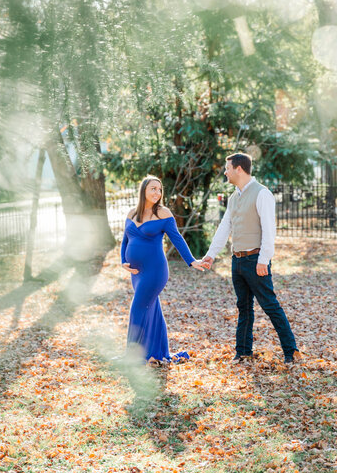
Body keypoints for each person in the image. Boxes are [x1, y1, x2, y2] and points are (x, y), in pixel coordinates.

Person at [202, 153, 299, 365]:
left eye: (227, 168)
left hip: (256, 260)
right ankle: (243, 352)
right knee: (243, 307)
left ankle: (291, 351)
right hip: (237, 261)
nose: (225, 172)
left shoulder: (262, 194)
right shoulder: (233, 197)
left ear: (239, 169)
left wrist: (264, 259)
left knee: (270, 305)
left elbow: (269, 229)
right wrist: (211, 255)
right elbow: (224, 227)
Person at [121, 175, 203, 364]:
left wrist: (191, 261)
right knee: (152, 309)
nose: (157, 193)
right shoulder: (132, 213)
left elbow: (177, 239)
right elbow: (125, 240)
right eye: (153, 189)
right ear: (144, 191)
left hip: (155, 271)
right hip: (136, 273)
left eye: (160, 189)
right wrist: (122, 261)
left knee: (138, 308)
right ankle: (156, 353)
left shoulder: (164, 213)